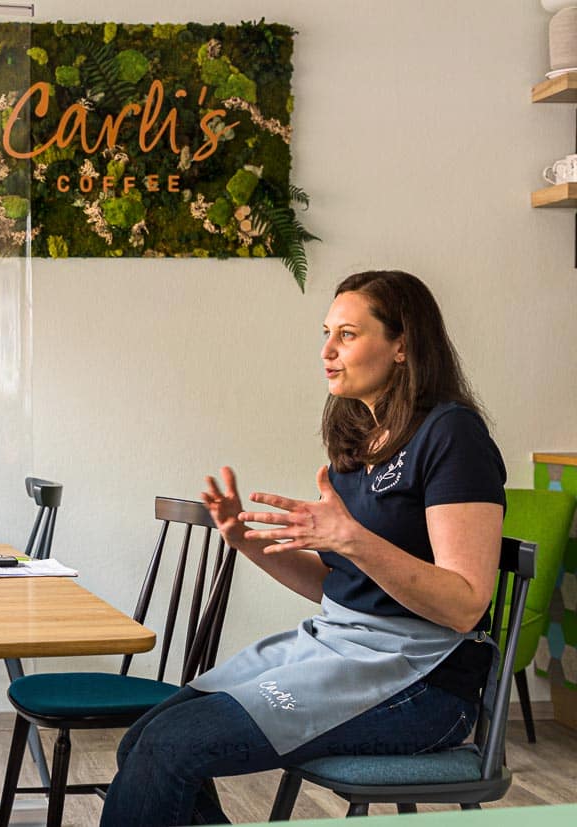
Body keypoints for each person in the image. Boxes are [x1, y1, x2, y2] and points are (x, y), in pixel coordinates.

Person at [100, 270, 505, 826]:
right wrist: (245, 539)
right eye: (326, 333)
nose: (327, 351)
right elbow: (336, 585)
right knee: (144, 740)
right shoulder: (358, 436)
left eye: (348, 334)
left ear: (403, 345)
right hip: (338, 647)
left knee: (173, 748)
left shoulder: (452, 435)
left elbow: (465, 605)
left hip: (424, 681)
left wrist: (353, 539)